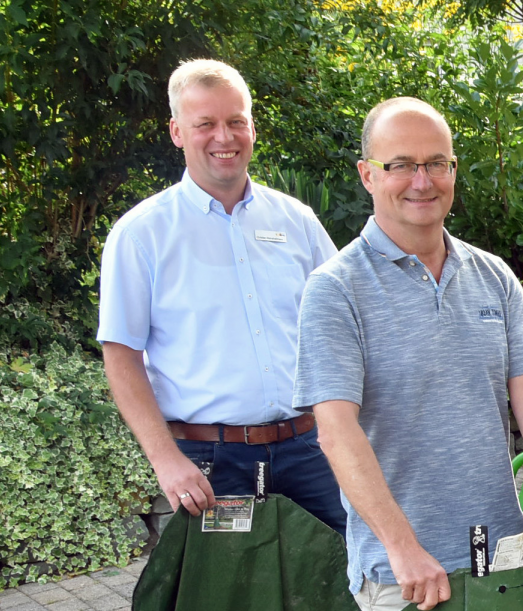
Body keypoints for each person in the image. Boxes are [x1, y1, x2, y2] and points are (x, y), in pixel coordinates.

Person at [293, 97, 523, 611]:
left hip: (504, 554)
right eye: (401, 165)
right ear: (368, 175)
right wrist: (401, 545)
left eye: (437, 162)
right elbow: (336, 431)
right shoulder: (335, 290)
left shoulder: (493, 277)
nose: (422, 180)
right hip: (405, 576)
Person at [99, 59, 345, 532]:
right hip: (211, 464)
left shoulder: (297, 222)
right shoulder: (141, 234)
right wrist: (166, 461)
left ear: (252, 127)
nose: (224, 137)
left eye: (236, 122)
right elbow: (121, 355)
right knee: (225, 601)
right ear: (176, 132)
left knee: (352, 588)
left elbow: (340, 326)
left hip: (312, 449)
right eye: (205, 124)